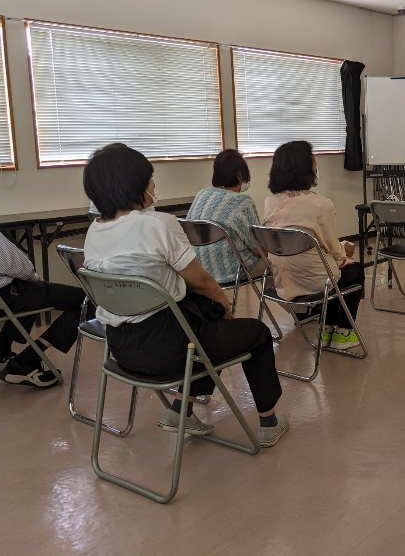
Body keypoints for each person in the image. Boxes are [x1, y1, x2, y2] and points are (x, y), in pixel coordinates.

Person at [82, 144, 288, 447]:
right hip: (171, 348)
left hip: (121, 347)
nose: (153, 185)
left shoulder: (94, 232)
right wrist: (224, 303)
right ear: (134, 184)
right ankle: (269, 423)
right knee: (255, 333)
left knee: (205, 324)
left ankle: (181, 410)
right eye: (150, 178)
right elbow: (202, 281)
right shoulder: (156, 223)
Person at [0, 200, 90, 387]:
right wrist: (32, 276)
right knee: (85, 300)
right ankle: (27, 360)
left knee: (28, 291)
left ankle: (0, 352)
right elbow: (8, 261)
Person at [263, 140, 363, 349]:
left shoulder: (270, 201)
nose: (316, 166)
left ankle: (325, 330)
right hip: (315, 282)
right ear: (306, 168)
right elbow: (335, 252)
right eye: (313, 161)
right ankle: (342, 334)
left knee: (335, 270)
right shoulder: (321, 205)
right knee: (352, 270)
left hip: (281, 281)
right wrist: (346, 251)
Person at [187, 149, 266, 285]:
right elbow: (258, 249)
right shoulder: (242, 202)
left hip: (200, 269)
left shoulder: (202, 195)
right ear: (240, 175)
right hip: (232, 271)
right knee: (279, 265)